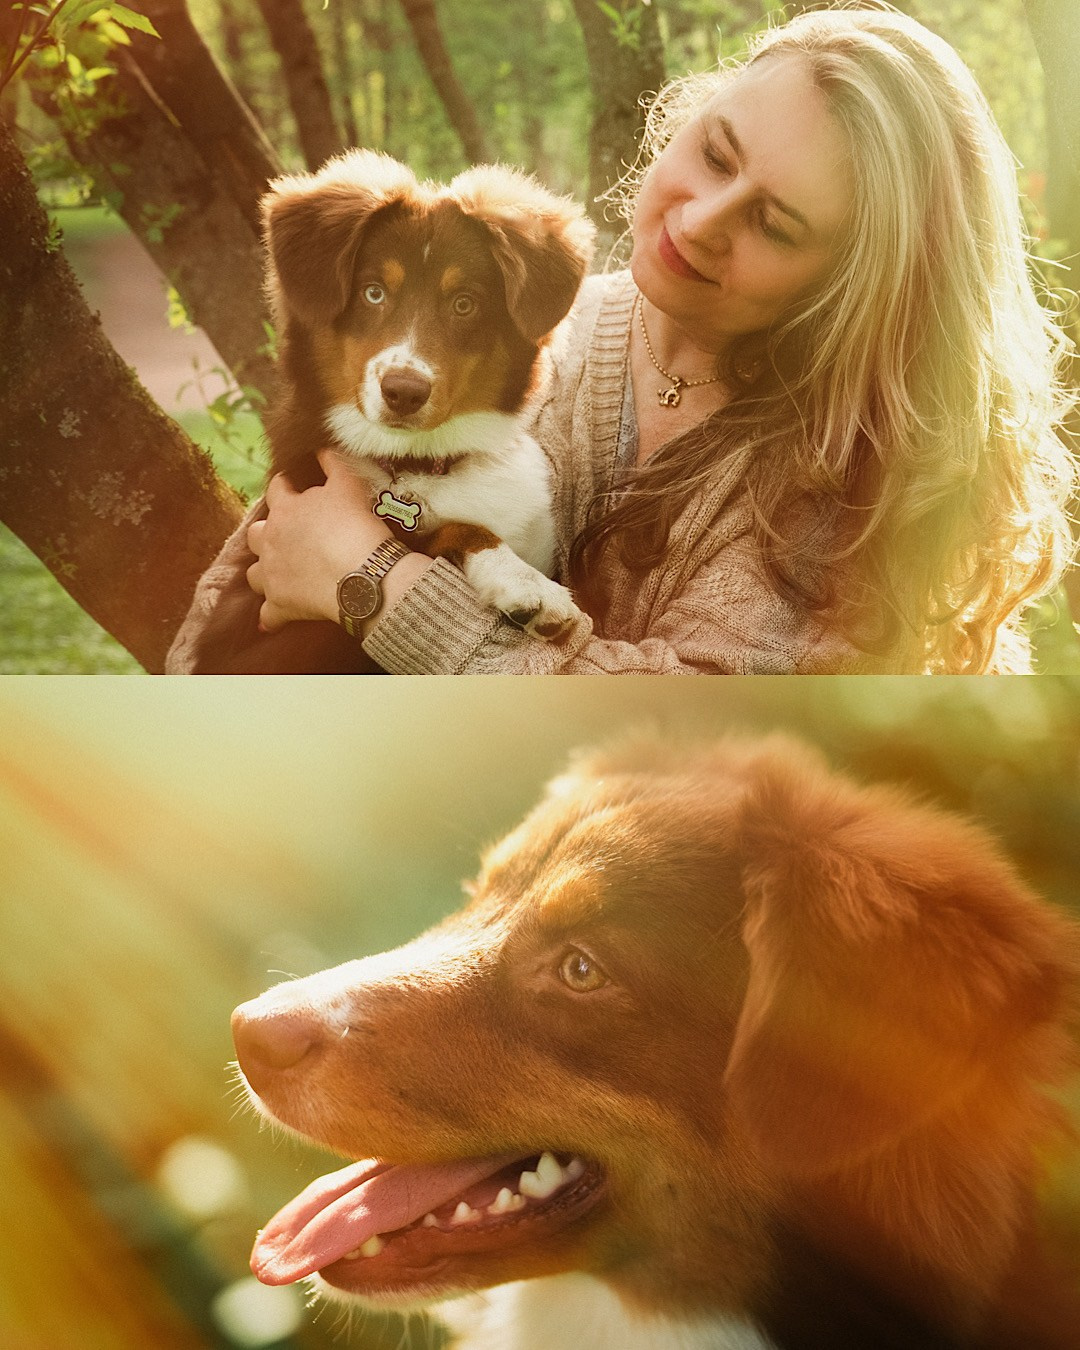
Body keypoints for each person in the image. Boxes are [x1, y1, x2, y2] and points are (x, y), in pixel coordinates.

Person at [166, 3, 1076, 675]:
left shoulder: (842, 482)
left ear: (848, 290)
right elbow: (246, 586)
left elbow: (674, 753)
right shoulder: (524, 333)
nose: (704, 218)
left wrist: (374, 584)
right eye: (716, 153)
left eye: (776, 223)